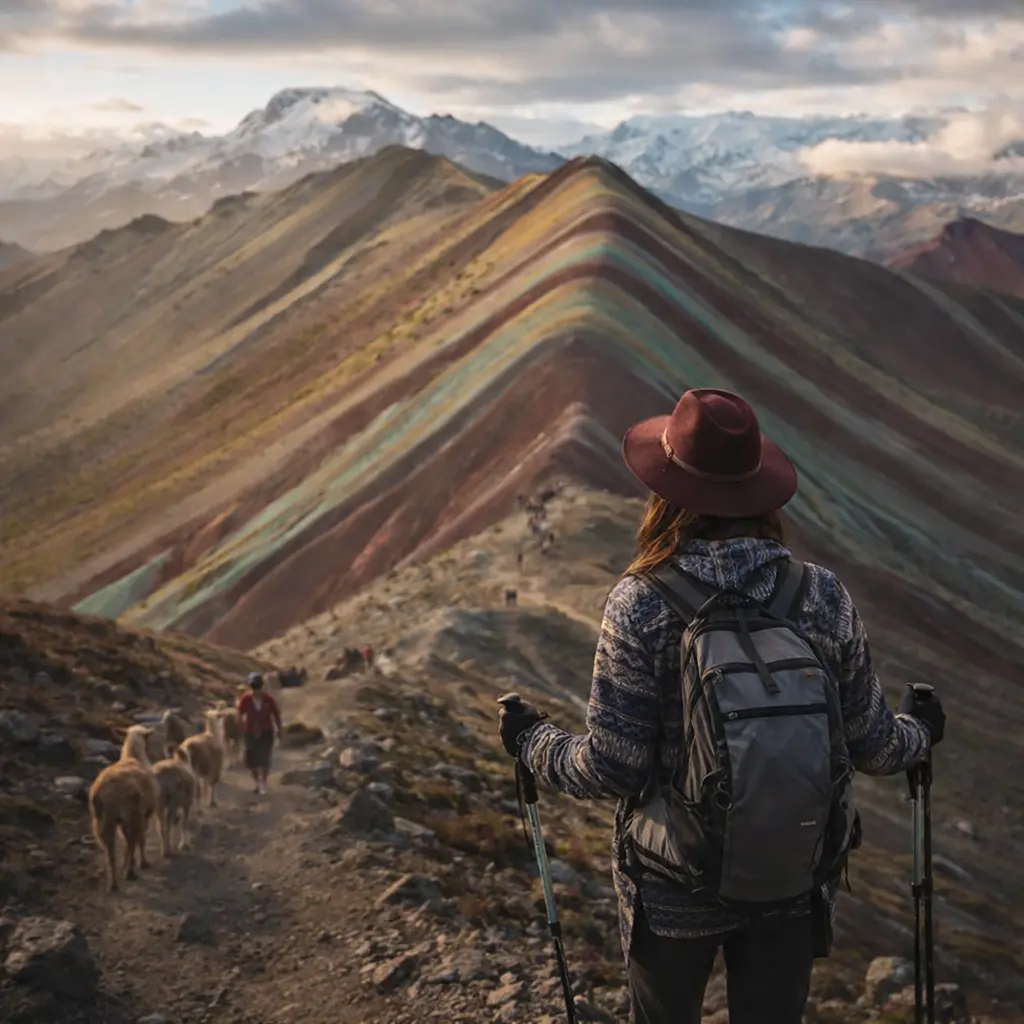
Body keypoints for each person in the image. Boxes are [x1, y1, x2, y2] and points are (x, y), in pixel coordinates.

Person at [497, 388, 946, 1024]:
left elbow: (613, 767)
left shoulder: (640, 602)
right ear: (758, 487)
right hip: (791, 877)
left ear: (666, 490)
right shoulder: (819, 594)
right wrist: (921, 731)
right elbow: (873, 746)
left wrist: (533, 742)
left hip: (673, 882)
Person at [236, 673, 282, 795]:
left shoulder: (268, 700)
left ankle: (264, 781)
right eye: (253, 687)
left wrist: (279, 730)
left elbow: (276, 715)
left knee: (264, 758)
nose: (255, 690)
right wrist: (241, 725)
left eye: (257, 687)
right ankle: (258, 782)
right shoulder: (246, 699)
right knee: (251, 760)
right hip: (250, 731)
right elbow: (239, 713)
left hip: (266, 732)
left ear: (261, 687)